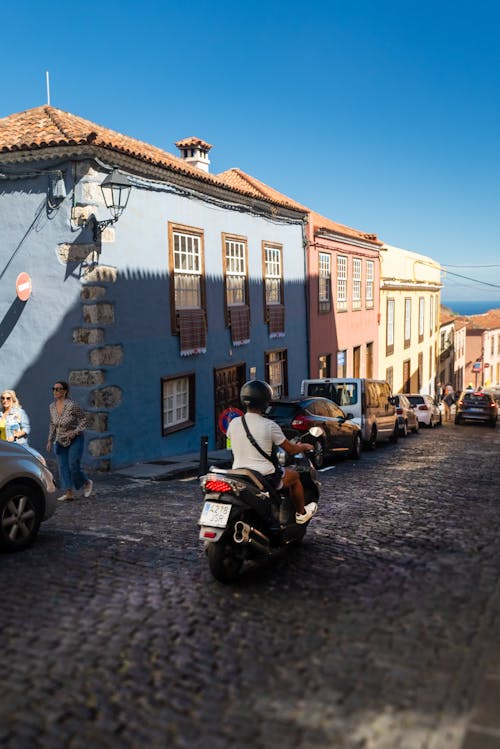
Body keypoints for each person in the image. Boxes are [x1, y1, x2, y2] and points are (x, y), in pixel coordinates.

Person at [227, 380, 318, 524]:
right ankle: (301, 513)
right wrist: (304, 446)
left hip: (240, 474)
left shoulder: (234, 423)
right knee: (294, 476)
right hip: (265, 477)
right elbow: (291, 449)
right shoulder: (270, 425)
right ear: (265, 402)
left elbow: (231, 444)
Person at [46, 380, 93, 502]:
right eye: (54, 389)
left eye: (58, 389)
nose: (55, 391)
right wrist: (49, 440)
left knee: (73, 465)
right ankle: (69, 492)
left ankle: (86, 482)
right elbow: (52, 424)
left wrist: (75, 432)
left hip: (75, 439)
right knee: (63, 467)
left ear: (65, 391)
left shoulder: (72, 405)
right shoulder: (52, 406)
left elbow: (84, 420)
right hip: (59, 440)